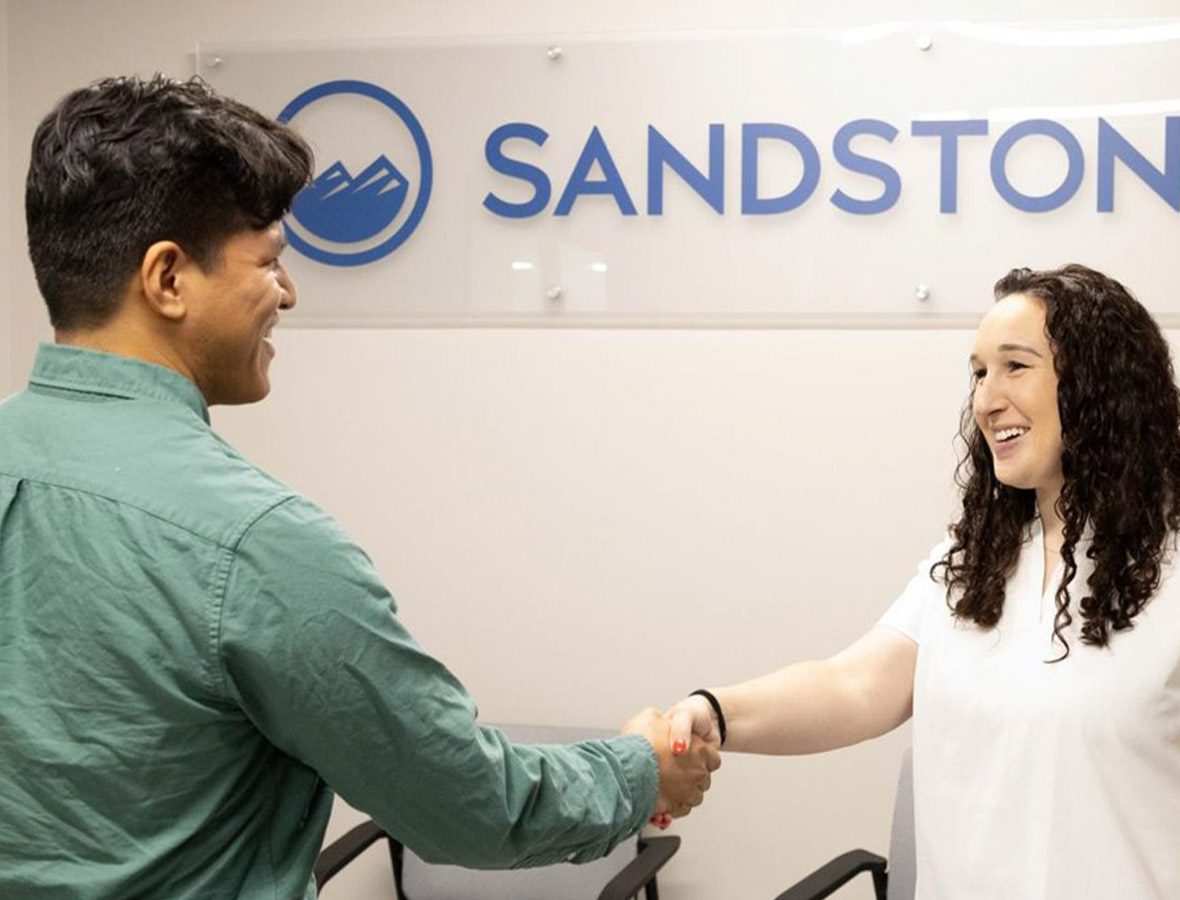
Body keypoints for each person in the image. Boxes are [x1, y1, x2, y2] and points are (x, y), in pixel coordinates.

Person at [0, 75, 717, 898]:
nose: (290, 292)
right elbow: (470, 807)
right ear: (168, 280)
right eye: (269, 261)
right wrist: (637, 772)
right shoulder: (257, 545)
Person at [663, 265, 1180, 899]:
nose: (986, 399)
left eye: (1015, 366)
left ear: (1100, 384)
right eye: (978, 373)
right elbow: (854, 687)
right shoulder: (973, 562)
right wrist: (711, 713)